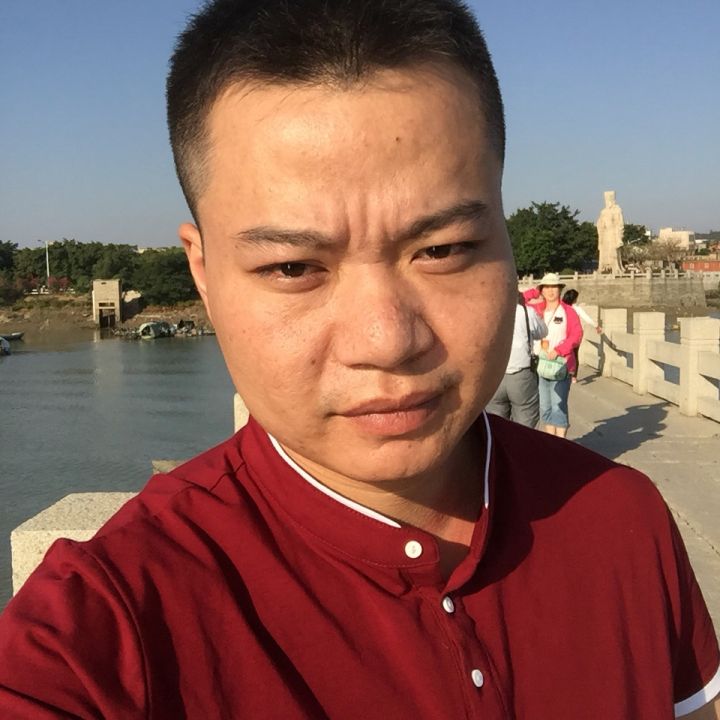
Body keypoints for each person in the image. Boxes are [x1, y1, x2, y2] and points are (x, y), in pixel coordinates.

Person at [0, 1, 718, 718]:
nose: (386, 341)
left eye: (442, 249)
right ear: (205, 274)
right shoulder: (112, 623)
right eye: (292, 267)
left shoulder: (619, 520)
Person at [523, 273, 583, 438]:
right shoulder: (536, 310)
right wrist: (534, 292)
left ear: (560, 289)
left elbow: (577, 335)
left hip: (561, 365)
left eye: (554, 287)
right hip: (541, 365)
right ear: (542, 290)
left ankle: (560, 442)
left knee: (558, 405)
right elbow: (519, 301)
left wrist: (559, 350)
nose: (550, 291)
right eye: (547, 287)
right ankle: (550, 441)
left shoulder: (568, 311)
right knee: (545, 406)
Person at [485, 292, 547, 427]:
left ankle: (500, 440)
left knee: (496, 422)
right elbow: (543, 332)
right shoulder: (526, 312)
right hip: (521, 375)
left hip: (495, 374)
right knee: (525, 417)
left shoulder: (489, 311)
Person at [562, 287, 602, 383]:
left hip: (564, 334)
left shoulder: (561, 307)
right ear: (574, 298)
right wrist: (596, 326)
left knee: (565, 353)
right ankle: (573, 376)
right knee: (575, 354)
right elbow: (586, 318)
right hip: (576, 334)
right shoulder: (576, 308)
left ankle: (565, 373)